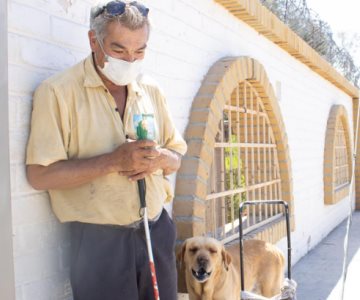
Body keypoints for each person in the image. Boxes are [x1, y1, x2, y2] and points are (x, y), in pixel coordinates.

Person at [25, 1, 187, 299]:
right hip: (100, 244)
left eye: (139, 51)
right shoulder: (57, 92)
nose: (130, 60)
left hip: (156, 231)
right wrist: (113, 161)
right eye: (119, 50)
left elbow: (176, 158)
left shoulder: (151, 89)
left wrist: (160, 158)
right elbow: (39, 175)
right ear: (93, 41)